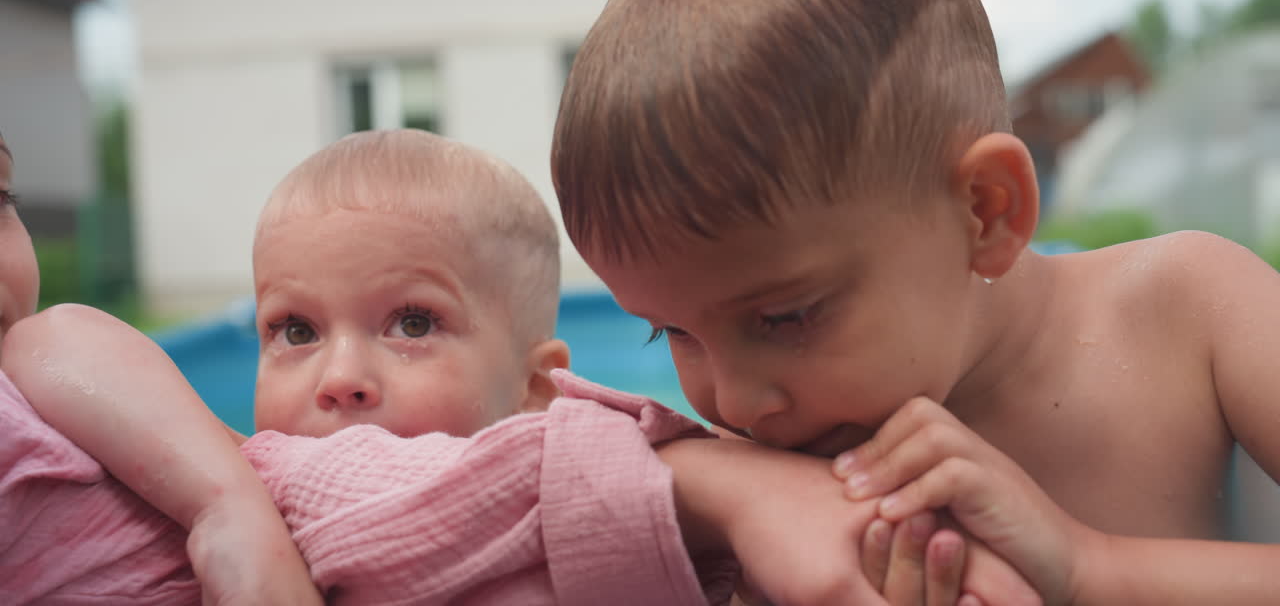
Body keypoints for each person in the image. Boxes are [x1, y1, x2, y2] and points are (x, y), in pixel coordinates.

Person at [550, 0, 1280, 603]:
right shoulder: (770, 480)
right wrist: (716, 494)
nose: (733, 402)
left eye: (785, 317)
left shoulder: (1187, 308)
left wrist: (1091, 569)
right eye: (671, 332)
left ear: (985, 210)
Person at [2, 130, 1032, 605]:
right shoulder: (269, 477)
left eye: (411, 322)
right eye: (295, 332)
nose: (341, 376)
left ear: (542, 387)